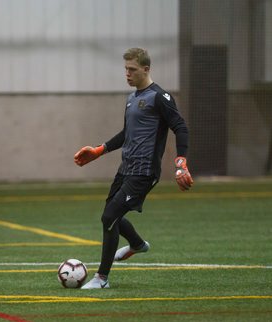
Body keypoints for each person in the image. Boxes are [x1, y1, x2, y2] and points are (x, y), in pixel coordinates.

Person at [74, 48, 193, 289]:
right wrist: (99, 150)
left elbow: (180, 127)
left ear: (146, 69)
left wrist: (181, 162)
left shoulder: (160, 97)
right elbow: (127, 134)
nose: (127, 74)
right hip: (126, 168)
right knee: (110, 216)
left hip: (144, 171)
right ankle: (137, 245)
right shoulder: (132, 99)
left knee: (109, 217)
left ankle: (102, 278)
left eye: (132, 70)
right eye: (125, 69)